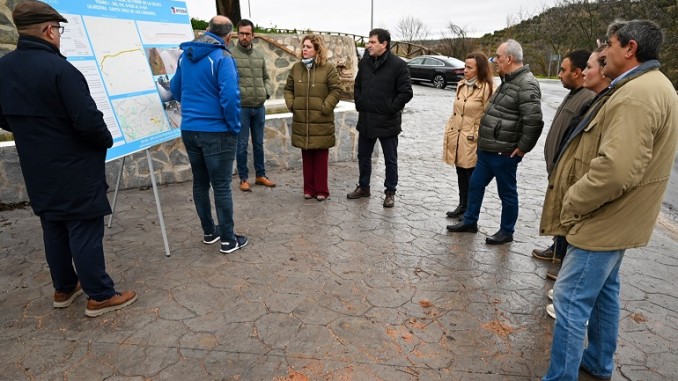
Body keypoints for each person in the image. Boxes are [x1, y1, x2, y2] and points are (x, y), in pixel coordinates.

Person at [540, 20, 678, 380]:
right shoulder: (652, 85)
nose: (603, 52)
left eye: (610, 45)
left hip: (604, 217)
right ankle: (599, 362)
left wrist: (574, 200)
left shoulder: (637, 94)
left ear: (630, 49)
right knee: (604, 293)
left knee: (569, 300)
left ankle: (561, 377)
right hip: (621, 218)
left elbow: (616, 170)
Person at [0, 0, 137, 317]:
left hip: (37, 167)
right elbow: (89, 122)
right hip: (74, 167)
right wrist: (105, 141)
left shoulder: (4, 69)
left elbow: (4, 117)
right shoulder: (62, 70)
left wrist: (33, 133)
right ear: (49, 30)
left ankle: (64, 288)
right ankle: (100, 295)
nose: (59, 35)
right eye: (58, 29)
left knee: (54, 227)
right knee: (84, 229)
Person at [447, 39, 543, 244]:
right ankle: (470, 221)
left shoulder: (526, 84)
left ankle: (506, 231)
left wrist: (523, 148)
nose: (495, 61)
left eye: (497, 57)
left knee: (507, 193)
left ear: (509, 58)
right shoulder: (508, 80)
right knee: (475, 184)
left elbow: (534, 121)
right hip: (487, 150)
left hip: (505, 152)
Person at [170, 16, 248, 254]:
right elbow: (230, 97)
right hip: (217, 132)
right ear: (229, 36)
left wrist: (196, 107)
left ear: (207, 30)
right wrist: (234, 126)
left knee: (201, 184)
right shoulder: (222, 58)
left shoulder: (187, 55)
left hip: (190, 129)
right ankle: (228, 240)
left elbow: (175, 89)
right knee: (222, 186)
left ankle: (209, 232)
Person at [531, 50, 595, 265]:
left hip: (569, 170)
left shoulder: (588, 98)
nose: (559, 74)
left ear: (577, 72)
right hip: (558, 167)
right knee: (560, 209)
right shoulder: (575, 93)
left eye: (563, 69)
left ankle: (562, 258)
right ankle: (557, 249)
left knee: (567, 211)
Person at [346, 28, 413, 208]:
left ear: (384, 44)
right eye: (368, 42)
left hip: (387, 121)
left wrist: (391, 108)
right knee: (363, 156)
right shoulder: (365, 63)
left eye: (372, 42)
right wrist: (360, 103)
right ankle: (364, 186)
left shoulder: (398, 65)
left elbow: (406, 92)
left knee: (390, 159)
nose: (368, 45)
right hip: (367, 119)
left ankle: (390, 192)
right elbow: (358, 85)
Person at [284, 34, 342, 201]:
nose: (304, 49)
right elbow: (288, 89)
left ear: (317, 50)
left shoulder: (328, 68)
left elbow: (336, 90)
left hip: (321, 120)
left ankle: (322, 190)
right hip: (303, 120)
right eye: (304, 46)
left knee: (321, 156)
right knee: (307, 155)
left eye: (309, 47)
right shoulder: (296, 68)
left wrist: (326, 107)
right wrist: (292, 104)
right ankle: (308, 189)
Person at [443, 52, 494, 220]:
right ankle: (462, 205)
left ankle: (470, 211)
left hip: (472, 139)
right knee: (460, 172)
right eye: (465, 66)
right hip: (457, 135)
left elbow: (488, 116)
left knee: (471, 175)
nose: (465, 70)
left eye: (469, 67)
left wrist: (477, 134)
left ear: (479, 69)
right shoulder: (461, 85)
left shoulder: (487, 88)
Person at [232, 18, 276, 192]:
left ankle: (260, 175)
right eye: (241, 33)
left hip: (259, 107)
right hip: (241, 108)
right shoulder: (230, 54)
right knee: (241, 144)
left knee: (258, 144)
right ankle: (243, 178)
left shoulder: (259, 55)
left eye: (247, 34)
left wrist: (266, 92)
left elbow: (266, 77)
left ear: (253, 35)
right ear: (237, 34)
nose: (244, 37)